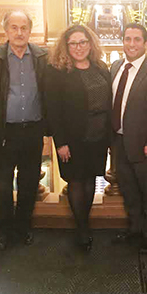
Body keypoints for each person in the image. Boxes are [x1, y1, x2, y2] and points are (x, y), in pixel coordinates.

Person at [0, 11, 48, 251]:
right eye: (14, 27)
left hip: (33, 130)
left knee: (29, 183)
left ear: (30, 30)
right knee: (2, 184)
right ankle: (4, 231)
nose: (19, 33)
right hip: (4, 132)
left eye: (24, 28)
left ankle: (23, 228)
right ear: (6, 30)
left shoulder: (43, 57)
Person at [45, 24, 112, 251]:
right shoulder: (57, 72)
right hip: (73, 138)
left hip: (99, 134)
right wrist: (60, 142)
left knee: (92, 178)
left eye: (83, 42)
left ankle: (85, 221)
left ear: (90, 43)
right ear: (65, 46)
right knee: (76, 181)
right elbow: (53, 111)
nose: (78, 47)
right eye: (73, 43)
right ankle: (82, 228)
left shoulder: (101, 68)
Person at [111, 23, 147, 254]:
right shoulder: (115, 67)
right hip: (119, 142)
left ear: (145, 43)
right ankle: (134, 229)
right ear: (123, 41)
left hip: (146, 146)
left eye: (137, 39)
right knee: (128, 190)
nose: (132, 44)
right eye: (128, 39)